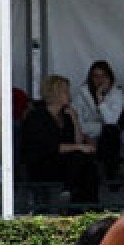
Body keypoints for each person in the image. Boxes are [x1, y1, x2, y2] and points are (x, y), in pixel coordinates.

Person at [22, 75, 99, 204]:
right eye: (66, 91)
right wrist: (79, 147)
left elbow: (77, 142)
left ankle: (88, 202)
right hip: (43, 163)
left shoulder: (66, 116)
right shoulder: (37, 116)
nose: (69, 94)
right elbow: (50, 146)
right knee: (80, 157)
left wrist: (75, 120)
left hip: (64, 163)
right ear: (55, 93)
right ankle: (72, 194)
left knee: (88, 164)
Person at [73, 60, 124, 182]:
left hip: (106, 137)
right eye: (96, 76)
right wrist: (88, 134)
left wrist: (100, 98)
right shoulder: (82, 93)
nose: (99, 80)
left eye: (103, 76)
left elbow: (111, 121)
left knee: (111, 131)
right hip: (86, 136)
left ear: (109, 77)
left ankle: (111, 176)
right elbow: (77, 122)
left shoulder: (117, 93)